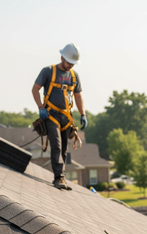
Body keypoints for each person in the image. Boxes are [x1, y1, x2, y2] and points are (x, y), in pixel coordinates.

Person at [32, 43, 87, 190]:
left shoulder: (74, 76)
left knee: (63, 148)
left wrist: (83, 114)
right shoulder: (48, 71)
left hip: (66, 118)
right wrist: (41, 107)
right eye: (69, 62)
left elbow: (78, 95)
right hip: (51, 115)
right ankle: (59, 178)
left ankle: (62, 176)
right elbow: (35, 89)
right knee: (55, 145)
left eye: (73, 64)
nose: (70, 66)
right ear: (62, 57)